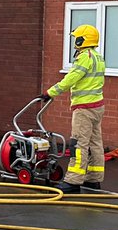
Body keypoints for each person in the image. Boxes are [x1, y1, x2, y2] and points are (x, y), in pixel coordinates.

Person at [41, 23, 106, 193]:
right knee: (95, 143)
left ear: (82, 40)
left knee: (78, 144)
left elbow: (72, 78)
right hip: (97, 106)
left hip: (84, 108)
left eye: (76, 37)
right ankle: (93, 179)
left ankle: (73, 181)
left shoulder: (85, 57)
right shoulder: (98, 57)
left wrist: (50, 92)